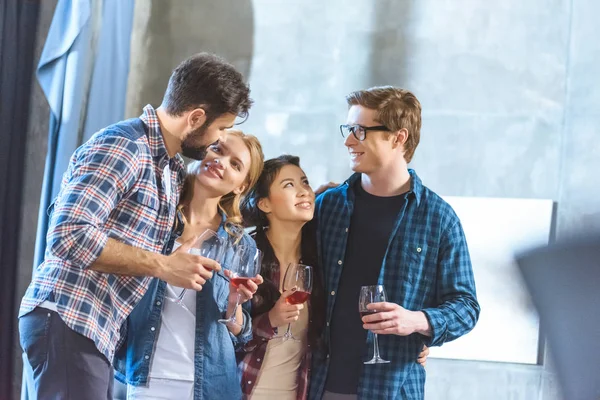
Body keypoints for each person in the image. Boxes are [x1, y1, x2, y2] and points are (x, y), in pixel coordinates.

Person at [18, 52, 252, 399]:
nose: (213, 145)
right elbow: (68, 234)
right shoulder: (126, 146)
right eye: (218, 131)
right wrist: (164, 265)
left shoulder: (169, 169)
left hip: (92, 328)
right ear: (197, 117)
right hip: (71, 316)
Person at [309, 86, 480, 399]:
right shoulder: (327, 207)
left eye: (360, 131)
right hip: (318, 384)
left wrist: (416, 321)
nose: (348, 140)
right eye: (348, 129)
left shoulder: (438, 218)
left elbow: (466, 308)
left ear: (398, 137)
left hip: (392, 389)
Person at [239, 156, 430, 400]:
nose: (303, 192)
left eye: (304, 182)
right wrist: (270, 320)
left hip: (303, 391)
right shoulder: (247, 253)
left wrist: (415, 337)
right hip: (247, 388)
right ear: (264, 204)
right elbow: (221, 334)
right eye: (289, 185)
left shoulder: (321, 255)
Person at [115, 130, 264, 400]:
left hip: (213, 388)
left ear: (241, 186)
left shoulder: (241, 245)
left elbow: (241, 335)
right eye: (217, 149)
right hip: (147, 380)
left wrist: (235, 305)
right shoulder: (154, 219)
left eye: (235, 164)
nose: (220, 161)